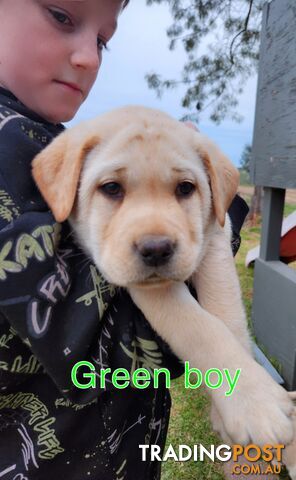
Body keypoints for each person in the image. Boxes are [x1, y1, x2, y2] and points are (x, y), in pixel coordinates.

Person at [0, 1, 248, 479]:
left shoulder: (43, 138)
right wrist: (218, 213)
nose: (89, 59)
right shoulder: (10, 153)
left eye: (102, 40)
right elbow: (122, 349)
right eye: (61, 16)